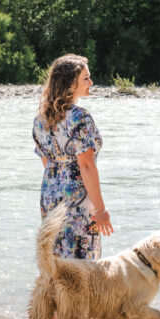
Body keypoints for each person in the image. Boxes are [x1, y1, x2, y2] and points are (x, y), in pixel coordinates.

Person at [32, 54, 114, 262]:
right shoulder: (80, 118)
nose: (91, 82)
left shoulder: (41, 118)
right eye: (86, 78)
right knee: (82, 265)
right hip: (77, 199)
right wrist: (100, 209)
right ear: (70, 83)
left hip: (50, 194)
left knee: (55, 261)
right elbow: (85, 165)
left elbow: (46, 162)